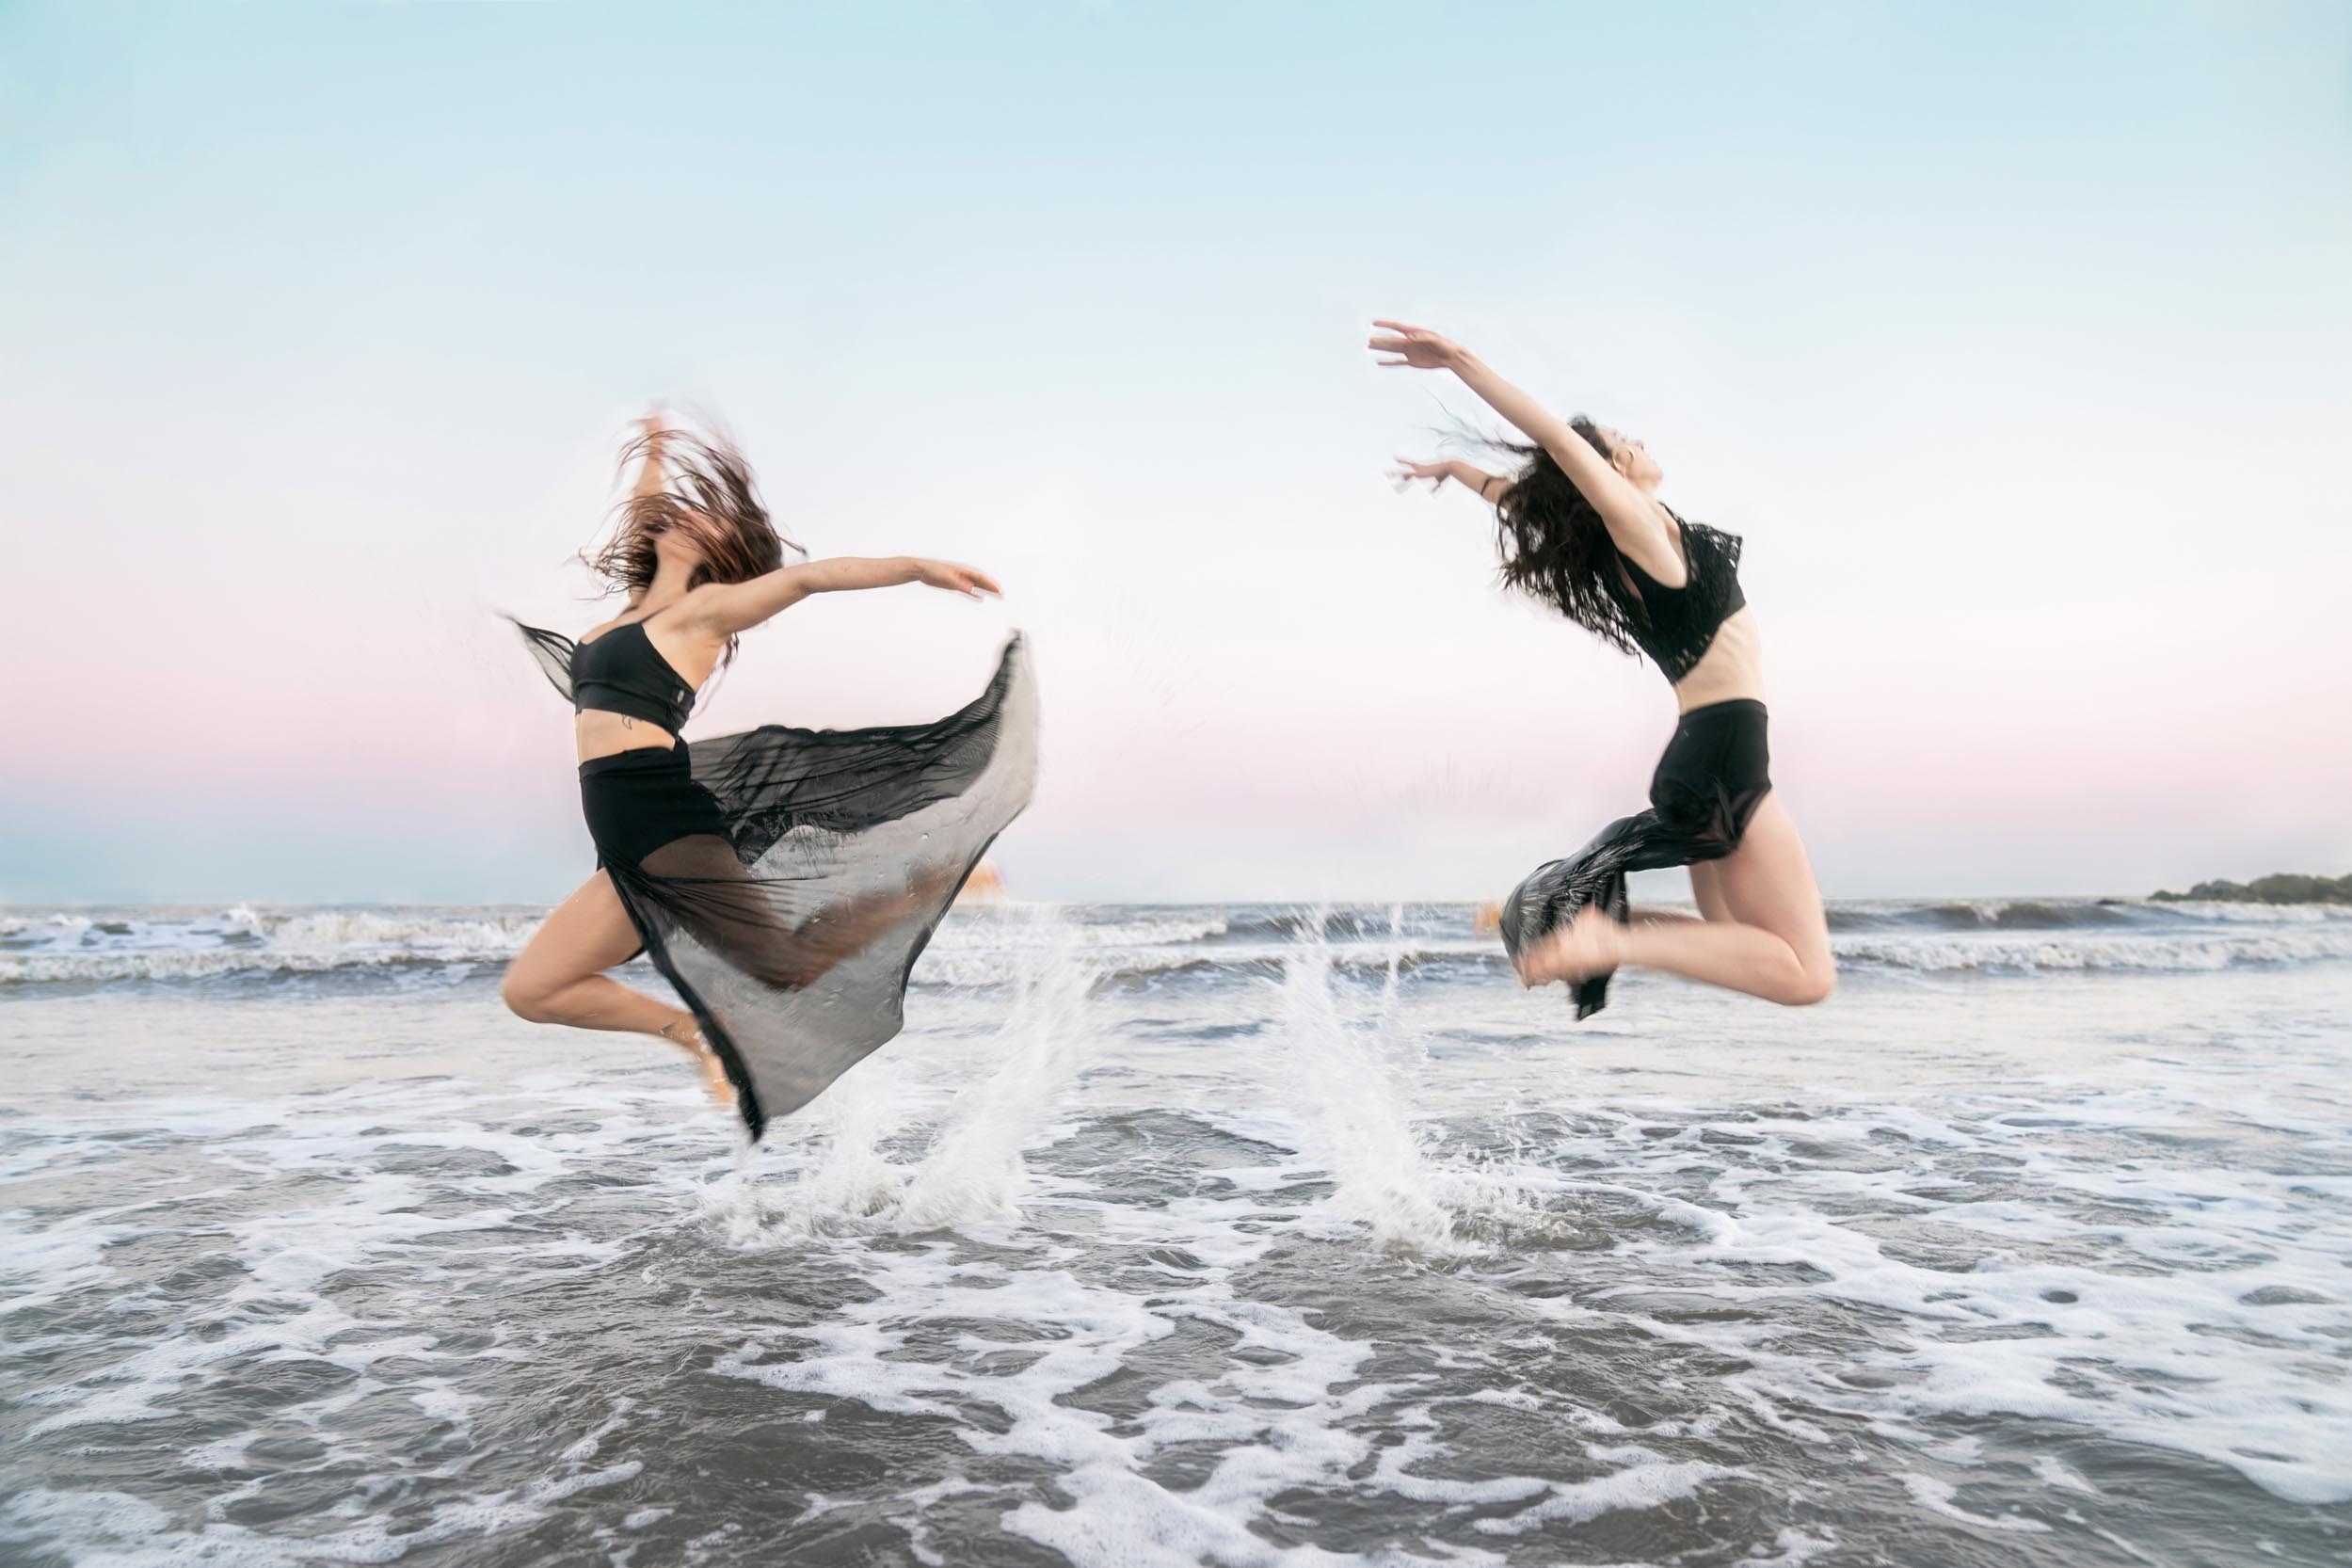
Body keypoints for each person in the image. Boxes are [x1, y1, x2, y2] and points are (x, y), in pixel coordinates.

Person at [502, 412, 1039, 1138]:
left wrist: (914, 567)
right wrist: (653, 455)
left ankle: (935, 876)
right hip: (621, 832)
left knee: (783, 966)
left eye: (704, 518)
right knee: (534, 989)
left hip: (661, 816)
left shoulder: (706, 612)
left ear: (720, 551)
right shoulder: (633, 610)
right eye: (680, 512)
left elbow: (812, 578)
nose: (686, 516)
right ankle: (694, 1033)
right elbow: (645, 513)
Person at [1373, 321, 1834, 1016]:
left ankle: (1572, 925)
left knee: (1739, 940)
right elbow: (1560, 446)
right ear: (1610, 473)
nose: (1636, 441)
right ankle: (1593, 937)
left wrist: (1454, 471)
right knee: (1805, 975)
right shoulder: (1640, 528)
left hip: (1705, 753)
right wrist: (1460, 361)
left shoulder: (1615, 545)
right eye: (1621, 441)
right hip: (1724, 762)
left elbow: (1522, 500)